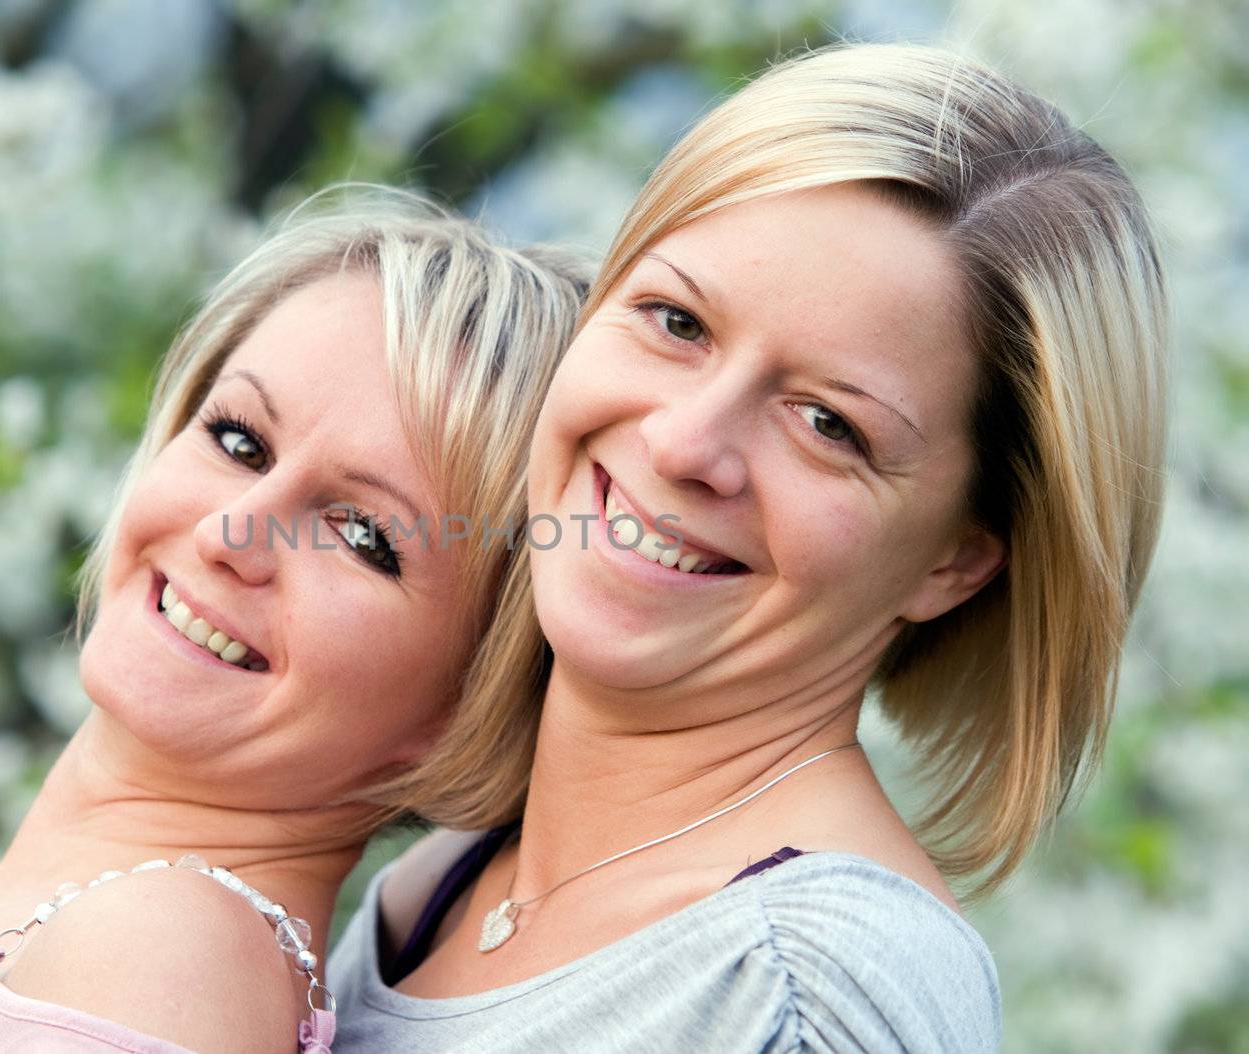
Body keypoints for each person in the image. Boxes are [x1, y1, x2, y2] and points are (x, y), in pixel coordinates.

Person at [327, 42, 1170, 1052]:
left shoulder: (807, 996)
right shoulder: (439, 883)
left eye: (828, 425)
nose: (684, 442)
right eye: (674, 320)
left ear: (957, 559)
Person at [0, 189, 590, 1052]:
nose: (230, 533)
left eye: (362, 536)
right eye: (238, 439)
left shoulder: (167, 958)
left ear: (466, 705)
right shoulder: (56, 928)